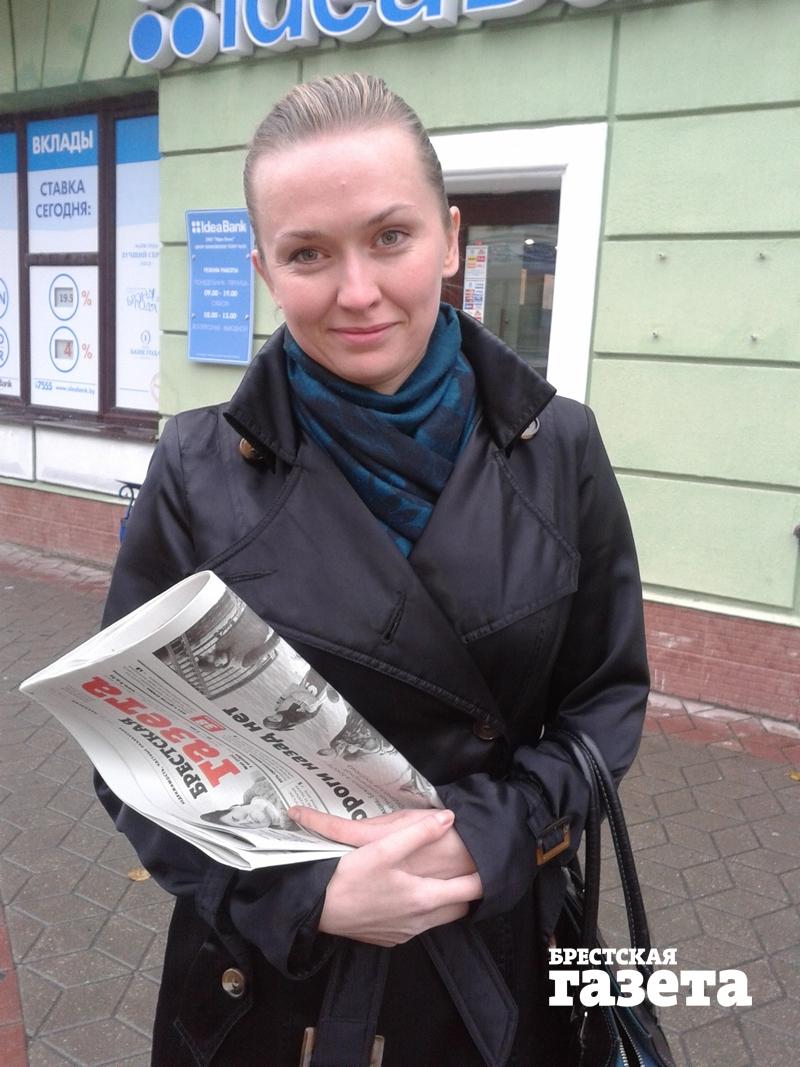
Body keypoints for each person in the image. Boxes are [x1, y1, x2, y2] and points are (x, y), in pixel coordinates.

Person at [96, 73, 649, 1066]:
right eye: (308, 252)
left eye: (390, 236)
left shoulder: (557, 446)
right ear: (265, 268)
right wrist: (300, 890)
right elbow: (132, 749)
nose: (356, 291)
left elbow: (603, 701)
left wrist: (488, 835)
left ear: (449, 237)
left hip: (495, 954)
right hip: (273, 983)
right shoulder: (194, 466)